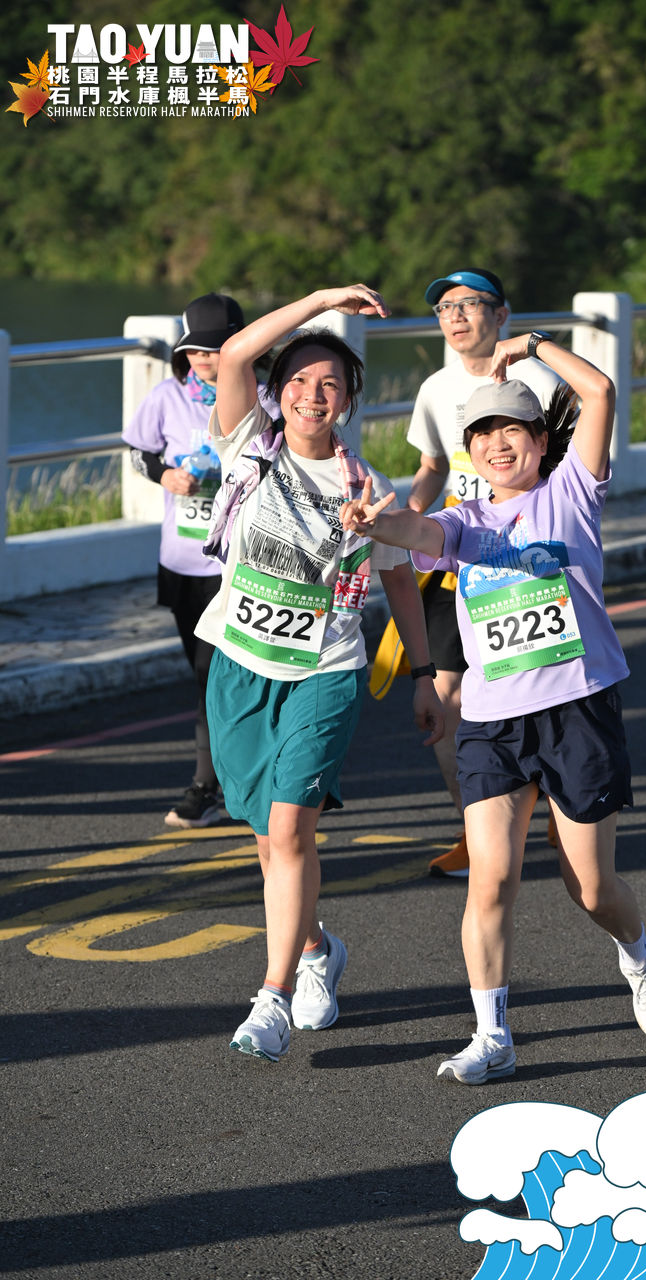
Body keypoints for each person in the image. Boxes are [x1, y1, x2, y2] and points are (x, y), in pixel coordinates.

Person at [341, 331, 646, 1084]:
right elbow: (418, 530)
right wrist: (373, 525)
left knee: (591, 888)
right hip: (492, 721)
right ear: (469, 450)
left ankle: (636, 953)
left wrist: (531, 346)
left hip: (578, 711)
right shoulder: (466, 522)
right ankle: (491, 1035)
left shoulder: (572, 493)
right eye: (483, 433)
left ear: (539, 441)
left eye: (513, 430)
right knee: (490, 879)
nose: (498, 444)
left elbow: (598, 391)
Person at [194, 283, 444, 1064]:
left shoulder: (367, 489)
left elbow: (399, 581)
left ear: (348, 401)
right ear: (276, 392)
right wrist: (324, 300)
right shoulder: (247, 446)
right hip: (239, 665)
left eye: (329, 383)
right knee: (266, 839)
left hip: (324, 671)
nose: (312, 394)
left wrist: (423, 675)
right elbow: (234, 352)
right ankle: (313, 950)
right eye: (298, 380)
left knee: (290, 830)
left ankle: (270, 999)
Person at [401, 268, 563, 878]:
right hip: (460, 560)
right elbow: (433, 465)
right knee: (444, 702)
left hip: (529, 562)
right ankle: (475, 830)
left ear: (501, 315)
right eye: (445, 307)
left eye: (470, 304)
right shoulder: (436, 387)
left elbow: (576, 464)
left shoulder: (541, 381)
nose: (457, 316)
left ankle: (561, 797)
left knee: (545, 690)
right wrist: (407, 519)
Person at [124, 292, 249, 829]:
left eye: (215, 349)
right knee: (203, 679)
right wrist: (164, 475)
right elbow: (138, 452)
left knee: (212, 674)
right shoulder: (167, 397)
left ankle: (208, 785)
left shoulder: (265, 399)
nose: (203, 359)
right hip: (181, 561)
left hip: (237, 567)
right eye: (195, 349)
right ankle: (224, 780)